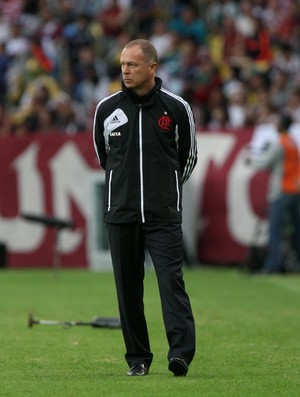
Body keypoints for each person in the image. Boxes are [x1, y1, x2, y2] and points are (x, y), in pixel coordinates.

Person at [93, 39, 197, 376]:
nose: (125, 70)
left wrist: (164, 189)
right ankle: (137, 358)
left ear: (152, 67)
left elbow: (188, 158)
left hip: (163, 215)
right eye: (122, 64)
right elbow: (104, 157)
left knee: (171, 284)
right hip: (120, 214)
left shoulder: (177, 108)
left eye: (133, 65)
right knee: (128, 291)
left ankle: (180, 354)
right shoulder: (106, 109)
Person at [247, 113, 300, 273]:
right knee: (296, 229)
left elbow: (264, 163)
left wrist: (250, 159)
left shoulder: (279, 143)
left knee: (275, 229)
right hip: (295, 189)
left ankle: (272, 265)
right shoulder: (292, 142)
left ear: (280, 125)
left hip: (281, 190)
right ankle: (296, 263)